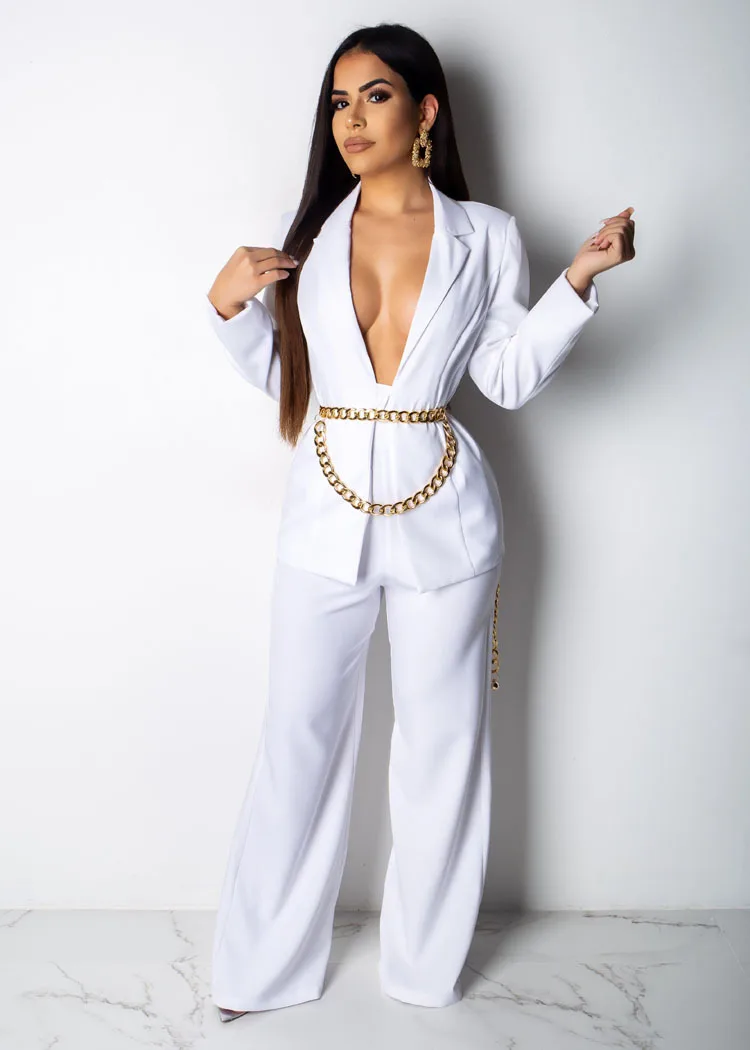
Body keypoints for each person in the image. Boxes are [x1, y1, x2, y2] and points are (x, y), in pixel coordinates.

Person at [204, 22, 635, 1023]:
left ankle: (423, 970)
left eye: (376, 96)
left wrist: (576, 282)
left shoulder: (488, 235)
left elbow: (506, 377)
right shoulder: (309, 235)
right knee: (298, 737)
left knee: (443, 744)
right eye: (339, 102)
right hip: (323, 519)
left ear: (425, 109)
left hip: (448, 520)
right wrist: (228, 314)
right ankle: (262, 968)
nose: (351, 120)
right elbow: (293, 383)